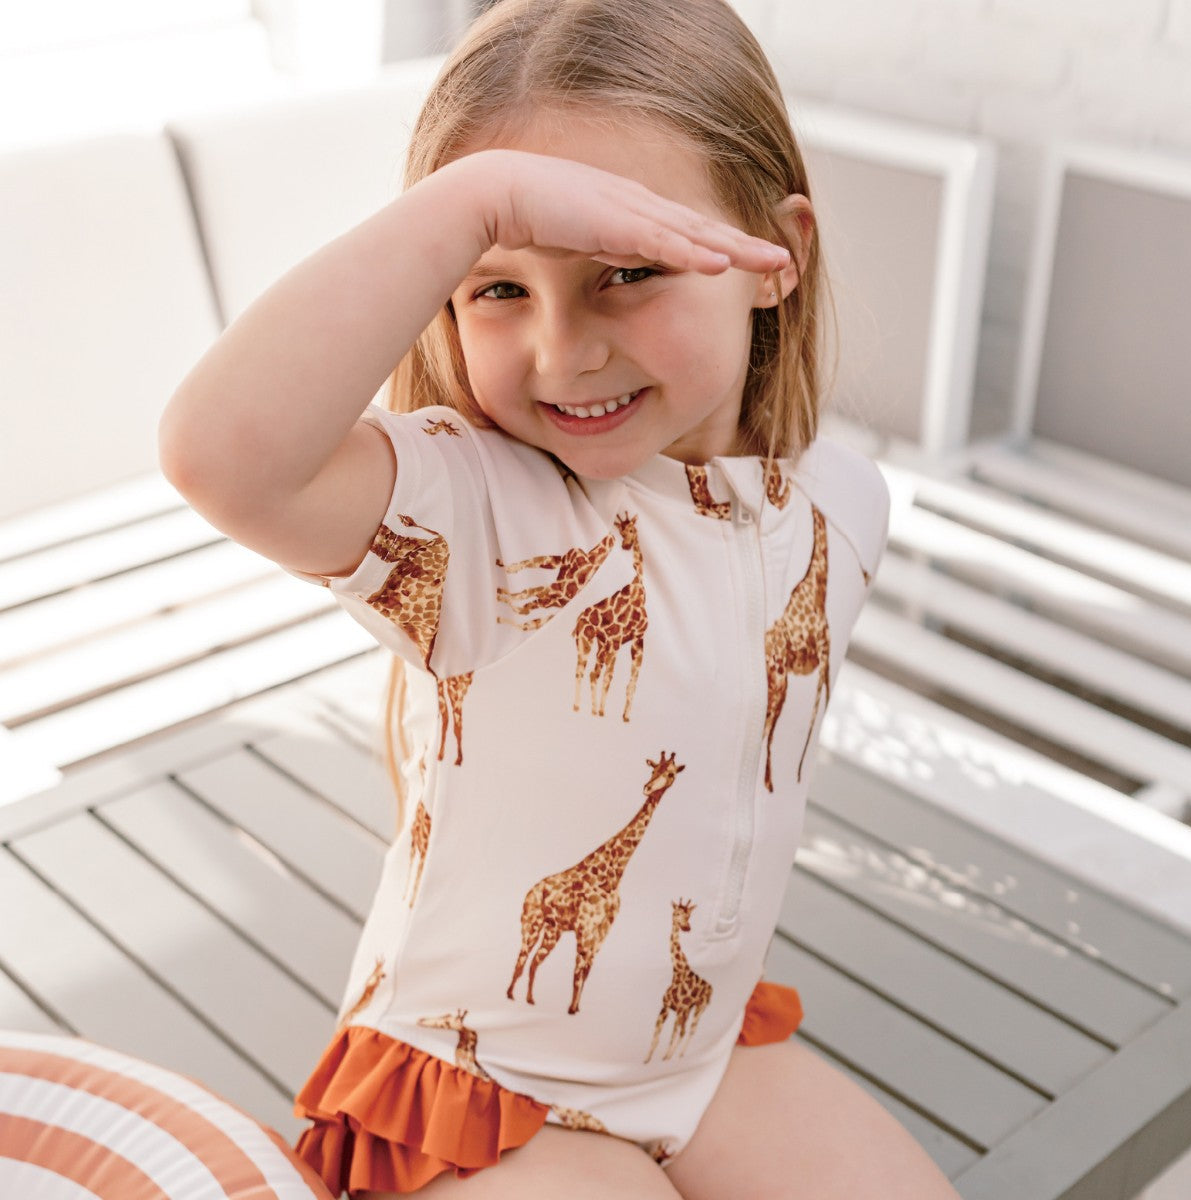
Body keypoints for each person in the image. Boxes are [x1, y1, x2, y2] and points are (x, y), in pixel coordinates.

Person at [159, 1, 960, 1195]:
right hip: (478, 1086)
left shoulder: (843, 506)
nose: (560, 353)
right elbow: (220, 453)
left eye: (626, 273)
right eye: (497, 287)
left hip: (696, 1049)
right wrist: (467, 205)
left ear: (772, 258)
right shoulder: (478, 513)